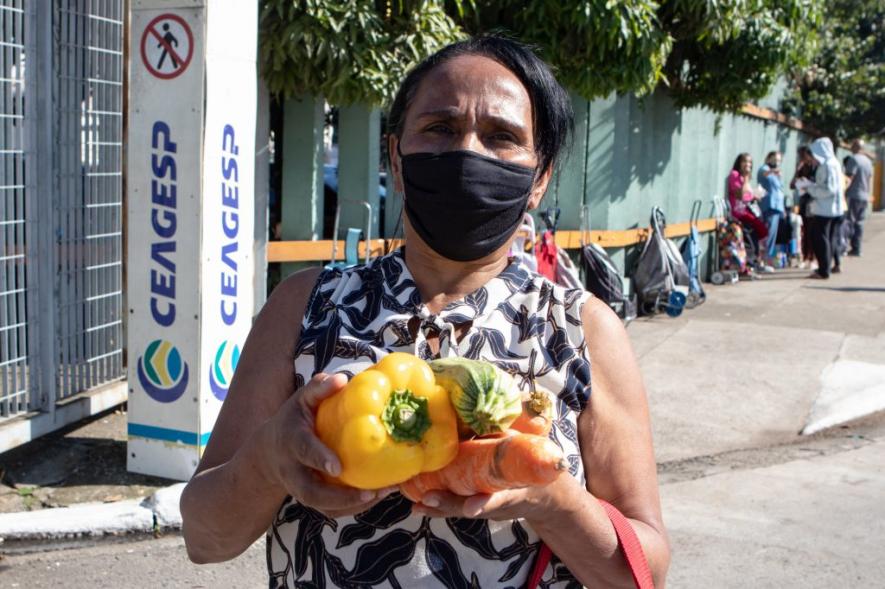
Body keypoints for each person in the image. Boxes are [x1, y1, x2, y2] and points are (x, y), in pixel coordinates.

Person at [179, 36, 669, 588]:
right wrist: (269, 458)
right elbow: (204, 538)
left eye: (502, 137)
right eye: (439, 128)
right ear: (395, 154)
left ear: (539, 179)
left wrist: (552, 500)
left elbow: (643, 573)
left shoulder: (582, 329)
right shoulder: (305, 305)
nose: (469, 153)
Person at [803, 137, 845, 279]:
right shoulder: (833, 163)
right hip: (833, 209)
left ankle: (823, 270)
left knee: (819, 238)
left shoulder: (828, 165)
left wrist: (810, 188)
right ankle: (825, 268)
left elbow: (829, 189)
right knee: (829, 238)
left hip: (826, 209)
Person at [728, 153, 771, 273]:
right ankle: (750, 264)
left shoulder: (743, 177)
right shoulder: (735, 175)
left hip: (747, 210)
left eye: (750, 162)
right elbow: (739, 195)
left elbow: (747, 196)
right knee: (752, 235)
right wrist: (746, 179)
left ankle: (757, 262)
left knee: (761, 232)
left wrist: (754, 196)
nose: (748, 165)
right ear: (739, 162)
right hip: (738, 213)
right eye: (745, 162)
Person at [843, 139, 874, 256]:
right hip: (864, 195)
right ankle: (857, 248)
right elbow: (869, 178)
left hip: (853, 194)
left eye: (852, 146)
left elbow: (849, 178)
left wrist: (843, 192)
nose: (850, 148)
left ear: (856, 147)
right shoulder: (868, 161)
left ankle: (844, 247)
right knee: (859, 222)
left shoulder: (853, 159)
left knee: (849, 222)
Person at [790, 145, 818, 269]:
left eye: (803, 156)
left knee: (813, 231)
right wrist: (797, 171)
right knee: (804, 231)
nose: (802, 158)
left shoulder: (817, 168)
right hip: (804, 202)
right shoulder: (802, 168)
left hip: (814, 203)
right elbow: (792, 185)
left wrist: (808, 183)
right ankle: (805, 257)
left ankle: (813, 258)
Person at [757, 151, 786, 266]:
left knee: (773, 233)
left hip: (777, 206)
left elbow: (780, 187)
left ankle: (768, 257)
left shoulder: (777, 173)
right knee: (767, 233)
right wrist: (773, 171)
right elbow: (764, 174)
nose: (776, 162)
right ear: (768, 158)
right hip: (769, 205)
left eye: (779, 160)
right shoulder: (764, 169)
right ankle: (763, 259)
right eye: (774, 159)